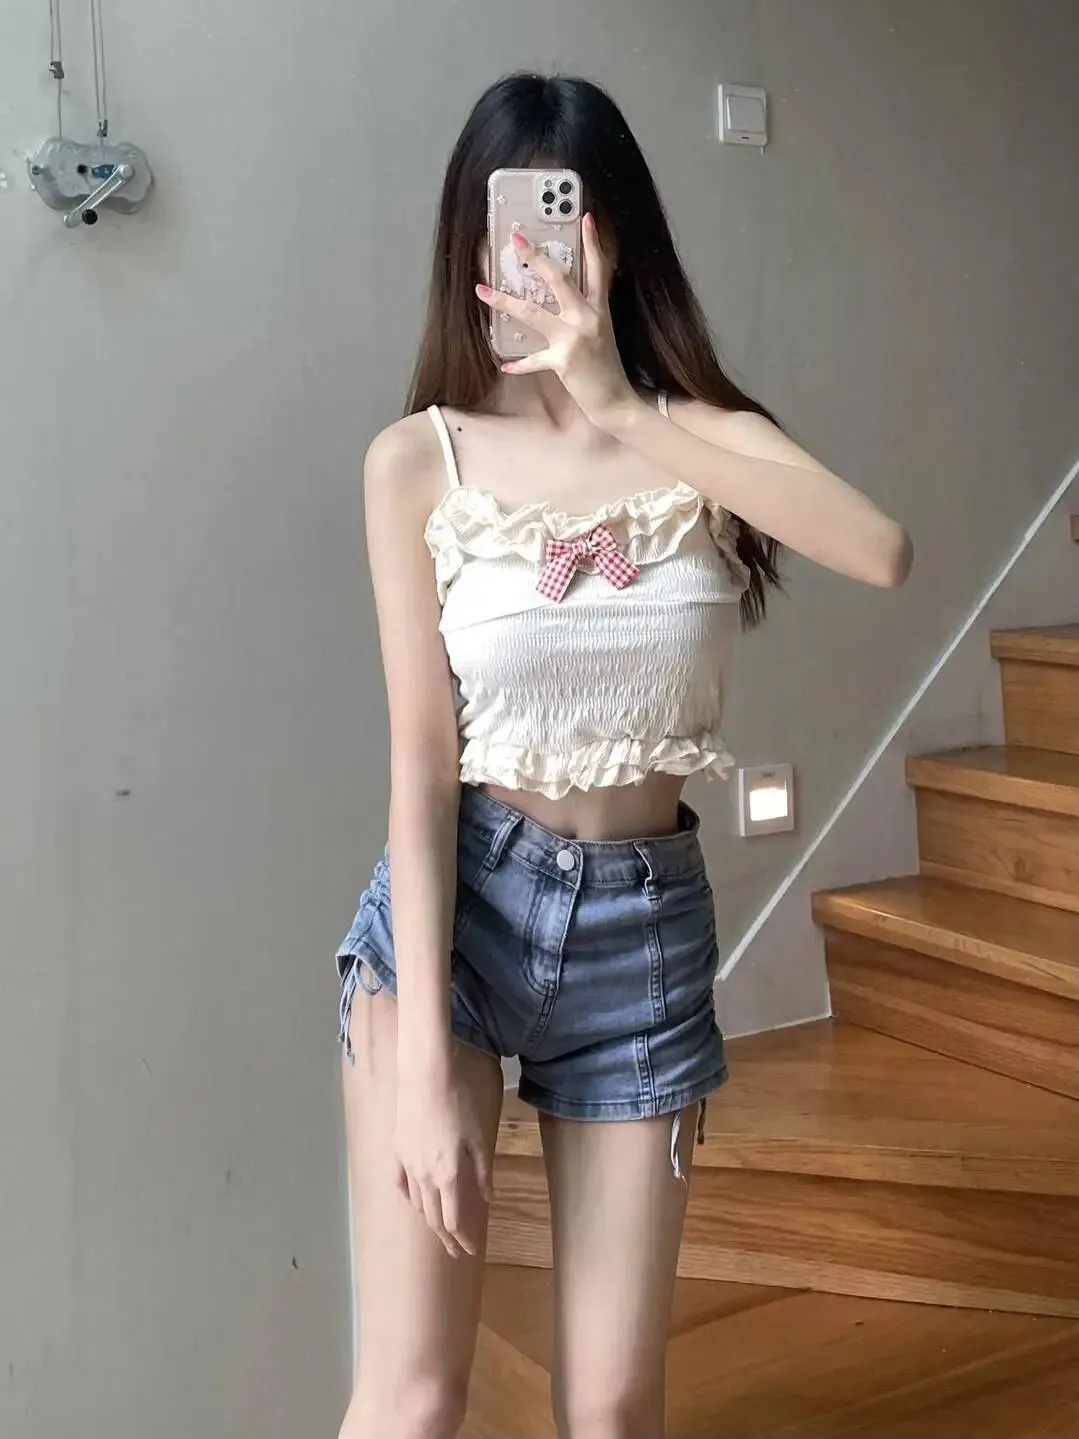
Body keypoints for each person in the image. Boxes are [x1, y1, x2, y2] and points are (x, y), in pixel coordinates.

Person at [335, 72, 911, 1439]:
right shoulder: (418, 463)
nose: (543, 258)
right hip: (459, 917)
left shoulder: (700, 439)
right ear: (474, 248)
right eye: (515, 227)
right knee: (414, 1396)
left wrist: (623, 407)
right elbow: (420, 764)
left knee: (611, 1405)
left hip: (642, 937)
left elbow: (882, 551)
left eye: (572, 223)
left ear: (618, 239)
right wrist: (420, 1069)